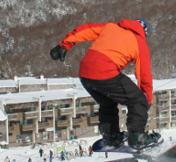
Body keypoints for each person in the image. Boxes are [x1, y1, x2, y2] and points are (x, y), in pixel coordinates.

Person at [50, 19, 160, 151]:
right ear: (144, 33)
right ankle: (138, 138)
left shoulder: (111, 28)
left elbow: (86, 29)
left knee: (107, 102)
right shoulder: (139, 43)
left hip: (85, 73)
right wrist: (145, 102)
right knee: (137, 99)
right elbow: (144, 76)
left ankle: (111, 137)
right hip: (104, 72)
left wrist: (64, 45)